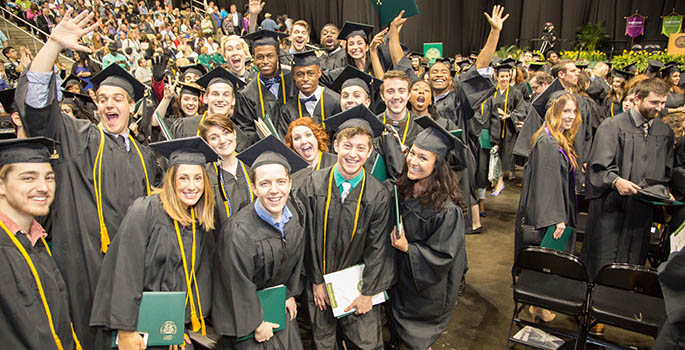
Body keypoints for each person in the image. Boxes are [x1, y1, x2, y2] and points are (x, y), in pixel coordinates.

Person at [16, 11, 161, 349]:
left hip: (132, 273)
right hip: (84, 266)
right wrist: (53, 44)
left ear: (132, 106)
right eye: (103, 99)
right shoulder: (77, 138)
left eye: (118, 99)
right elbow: (38, 109)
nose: (109, 104)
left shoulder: (145, 156)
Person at [91, 137, 218, 350]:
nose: (191, 186)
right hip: (135, 327)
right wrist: (125, 330)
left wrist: (178, 325)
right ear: (171, 180)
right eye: (183, 178)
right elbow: (125, 270)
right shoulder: (146, 210)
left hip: (166, 327)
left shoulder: (197, 221)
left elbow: (187, 278)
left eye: (198, 179)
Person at [296, 106, 393, 350]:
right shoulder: (313, 184)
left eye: (361, 148)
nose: (353, 154)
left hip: (358, 286)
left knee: (366, 343)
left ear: (370, 151)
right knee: (324, 343)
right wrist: (317, 281)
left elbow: (377, 248)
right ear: (335, 146)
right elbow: (306, 238)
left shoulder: (378, 194)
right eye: (347, 145)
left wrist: (368, 292)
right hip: (319, 286)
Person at [213, 136, 309, 350]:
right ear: (254, 188)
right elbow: (235, 283)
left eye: (280, 182)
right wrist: (256, 321)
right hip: (246, 317)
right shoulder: (239, 231)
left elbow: (295, 260)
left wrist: (288, 294)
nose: (274, 190)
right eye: (265, 183)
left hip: (276, 305)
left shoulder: (294, 215)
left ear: (290, 183)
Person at [582, 78, 674, 291]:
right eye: (654, 103)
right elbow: (597, 167)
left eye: (662, 103)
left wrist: (665, 191)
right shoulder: (612, 126)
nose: (659, 108)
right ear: (637, 99)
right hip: (611, 208)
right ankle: (596, 305)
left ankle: (620, 303)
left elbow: (665, 171)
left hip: (641, 210)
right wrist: (615, 180)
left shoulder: (664, 132)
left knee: (633, 260)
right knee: (603, 259)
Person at [387, 116, 467, 350]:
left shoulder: (447, 210)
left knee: (417, 340)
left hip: (426, 288)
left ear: (437, 165)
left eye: (423, 157)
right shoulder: (403, 189)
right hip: (401, 280)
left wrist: (407, 248)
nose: (413, 161)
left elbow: (444, 256)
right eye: (412, 153)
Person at [0, 137, 83, 350]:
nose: (43, 187)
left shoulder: (37, 242)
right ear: (1, 184)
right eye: (28, 178)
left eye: (49, 177)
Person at [514, 93, 581, 322]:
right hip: (547, 213)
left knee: (544, 261)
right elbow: (547, 181)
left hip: (549, 209)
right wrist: (555, 218)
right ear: (554, 112)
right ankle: (537, 306)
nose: (571, 116)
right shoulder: (548, 142)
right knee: (545, 259)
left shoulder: (556, 138)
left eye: (573, 111)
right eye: (566, 111)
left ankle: (537, 305)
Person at [235, 30, 293, 144]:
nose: (265, 61)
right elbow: (247, 129)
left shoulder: (293, 81)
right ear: (254, 58)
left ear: (278, 56)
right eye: (260, 57)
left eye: (270, 56)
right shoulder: (247, 94)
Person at [198, 114, 254, 230]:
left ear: (234, 133)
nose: (222, 140)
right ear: (207, 143)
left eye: (226, 132)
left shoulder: (252, 167)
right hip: (221, 244)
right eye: (214, 137)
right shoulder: (205, 177)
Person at [274, 50, 341, 136]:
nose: (305, 79)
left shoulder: (335, 102)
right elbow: (286, 141)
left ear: (319, 73)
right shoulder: (287, 110)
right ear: (294, 76)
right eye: (300, 74)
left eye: (310, 74)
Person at [487, 61, 527, 194]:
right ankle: (494, 180)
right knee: (493, 156)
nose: (504, 79)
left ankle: (500, 182)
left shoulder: (515, 93)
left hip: (508, 130)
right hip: (493, 129)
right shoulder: (492, 91)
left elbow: (521, 109)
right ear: (497, 77)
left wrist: (509, 116)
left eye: (507, 76)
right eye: (502, 77)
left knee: (504, 158)